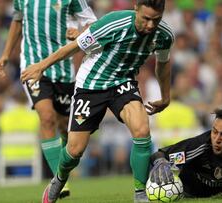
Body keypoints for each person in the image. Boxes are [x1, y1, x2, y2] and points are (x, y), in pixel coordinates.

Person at [20, 0, 174, 202]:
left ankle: (140, 194)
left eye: (156, 20)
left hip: (123, 83)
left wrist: (165, 96)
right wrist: (41, 66)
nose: (151, 25)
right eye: (146, 19)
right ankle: (59, 179)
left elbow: (163, 65)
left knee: (142, 129)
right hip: (91, 85)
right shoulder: (113, 23)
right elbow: (74, 47)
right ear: (135, 8)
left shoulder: (164, 35)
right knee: (75, 151)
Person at [0, 0, 97, 199]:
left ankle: (63, 167)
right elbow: (17, 20)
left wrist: (82, 34)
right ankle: (59, 181)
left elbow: (93, 23)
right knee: (47, 116)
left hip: (64, 70)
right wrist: (6, 54)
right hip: (33, 66)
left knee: (65, 126)